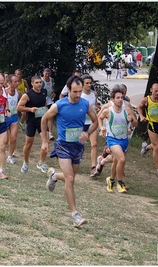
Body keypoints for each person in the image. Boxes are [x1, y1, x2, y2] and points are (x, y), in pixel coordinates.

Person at [41, 75, 98, 228]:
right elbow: (44, 118)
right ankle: (75, 215)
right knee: (70, 179)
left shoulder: (85, 104)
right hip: (63, 146)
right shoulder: (59, 105)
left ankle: (53, 176)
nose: (78, 95)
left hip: (77, 146)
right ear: (68, 90)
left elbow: (95, 121)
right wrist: (45, 141)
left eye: (80, 91)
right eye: (75, 92)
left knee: (69, 178)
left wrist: (87, 133)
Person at [98, 88, 138, 193]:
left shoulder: (127, 110)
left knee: (116, 162)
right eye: (118, 98)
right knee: (122, 159)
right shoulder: (108, 111)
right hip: (112, 139)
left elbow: (136, 124)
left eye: (122, 97)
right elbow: (100, 118)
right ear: (113, 99)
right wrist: (102, 128)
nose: (120, 100)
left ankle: (111, 180)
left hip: (124, 140)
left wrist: (132, 120)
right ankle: (120, 183)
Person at [17, 75, 49, 174]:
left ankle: (41, 162)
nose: (39, 84)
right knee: (28, 144)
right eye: (37, 82)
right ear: (32, 84)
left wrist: (47, 110)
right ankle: (26, 162)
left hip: (42, 121)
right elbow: (19, 107)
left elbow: (45, 104)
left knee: (45, 142)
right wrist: (30, 109)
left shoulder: (44, 92)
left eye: (40, 82)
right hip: (31, 121)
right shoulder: (27, 95)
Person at [80, 74, 100, 176]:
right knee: (79, 144)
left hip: (92, 122)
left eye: (90, 83)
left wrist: (97, 108)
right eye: (86, 83)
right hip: (82, 123)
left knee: (94, 144)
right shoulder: (79, 95)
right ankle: (74, 159)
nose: (89, 85)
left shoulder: (93, 94)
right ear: (82, 84)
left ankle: (93, 167)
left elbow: (95, 105)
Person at [5, 74, 21, 164]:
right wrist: (6, 111)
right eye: (15, 82)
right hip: (4, 118)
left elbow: (22, 102)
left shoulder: (18, 93)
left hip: (14, 117)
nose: (17, 83)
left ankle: (10, 156)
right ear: (9, 83)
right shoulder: (4, 92)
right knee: (7, 140)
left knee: (13, 138)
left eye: (18, 81)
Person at [41, 68, 56, 140]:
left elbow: (52, 88)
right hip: (42, 99)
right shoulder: (41, 81)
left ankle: (50, 133)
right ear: (43, 73)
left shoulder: (51, 80)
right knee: (43, 116)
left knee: (50, 116)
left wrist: (53, 93)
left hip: (50, 99)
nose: (47, 75)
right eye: (46, 73)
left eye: (48, 73)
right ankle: (43, 131)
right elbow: (39, 90)